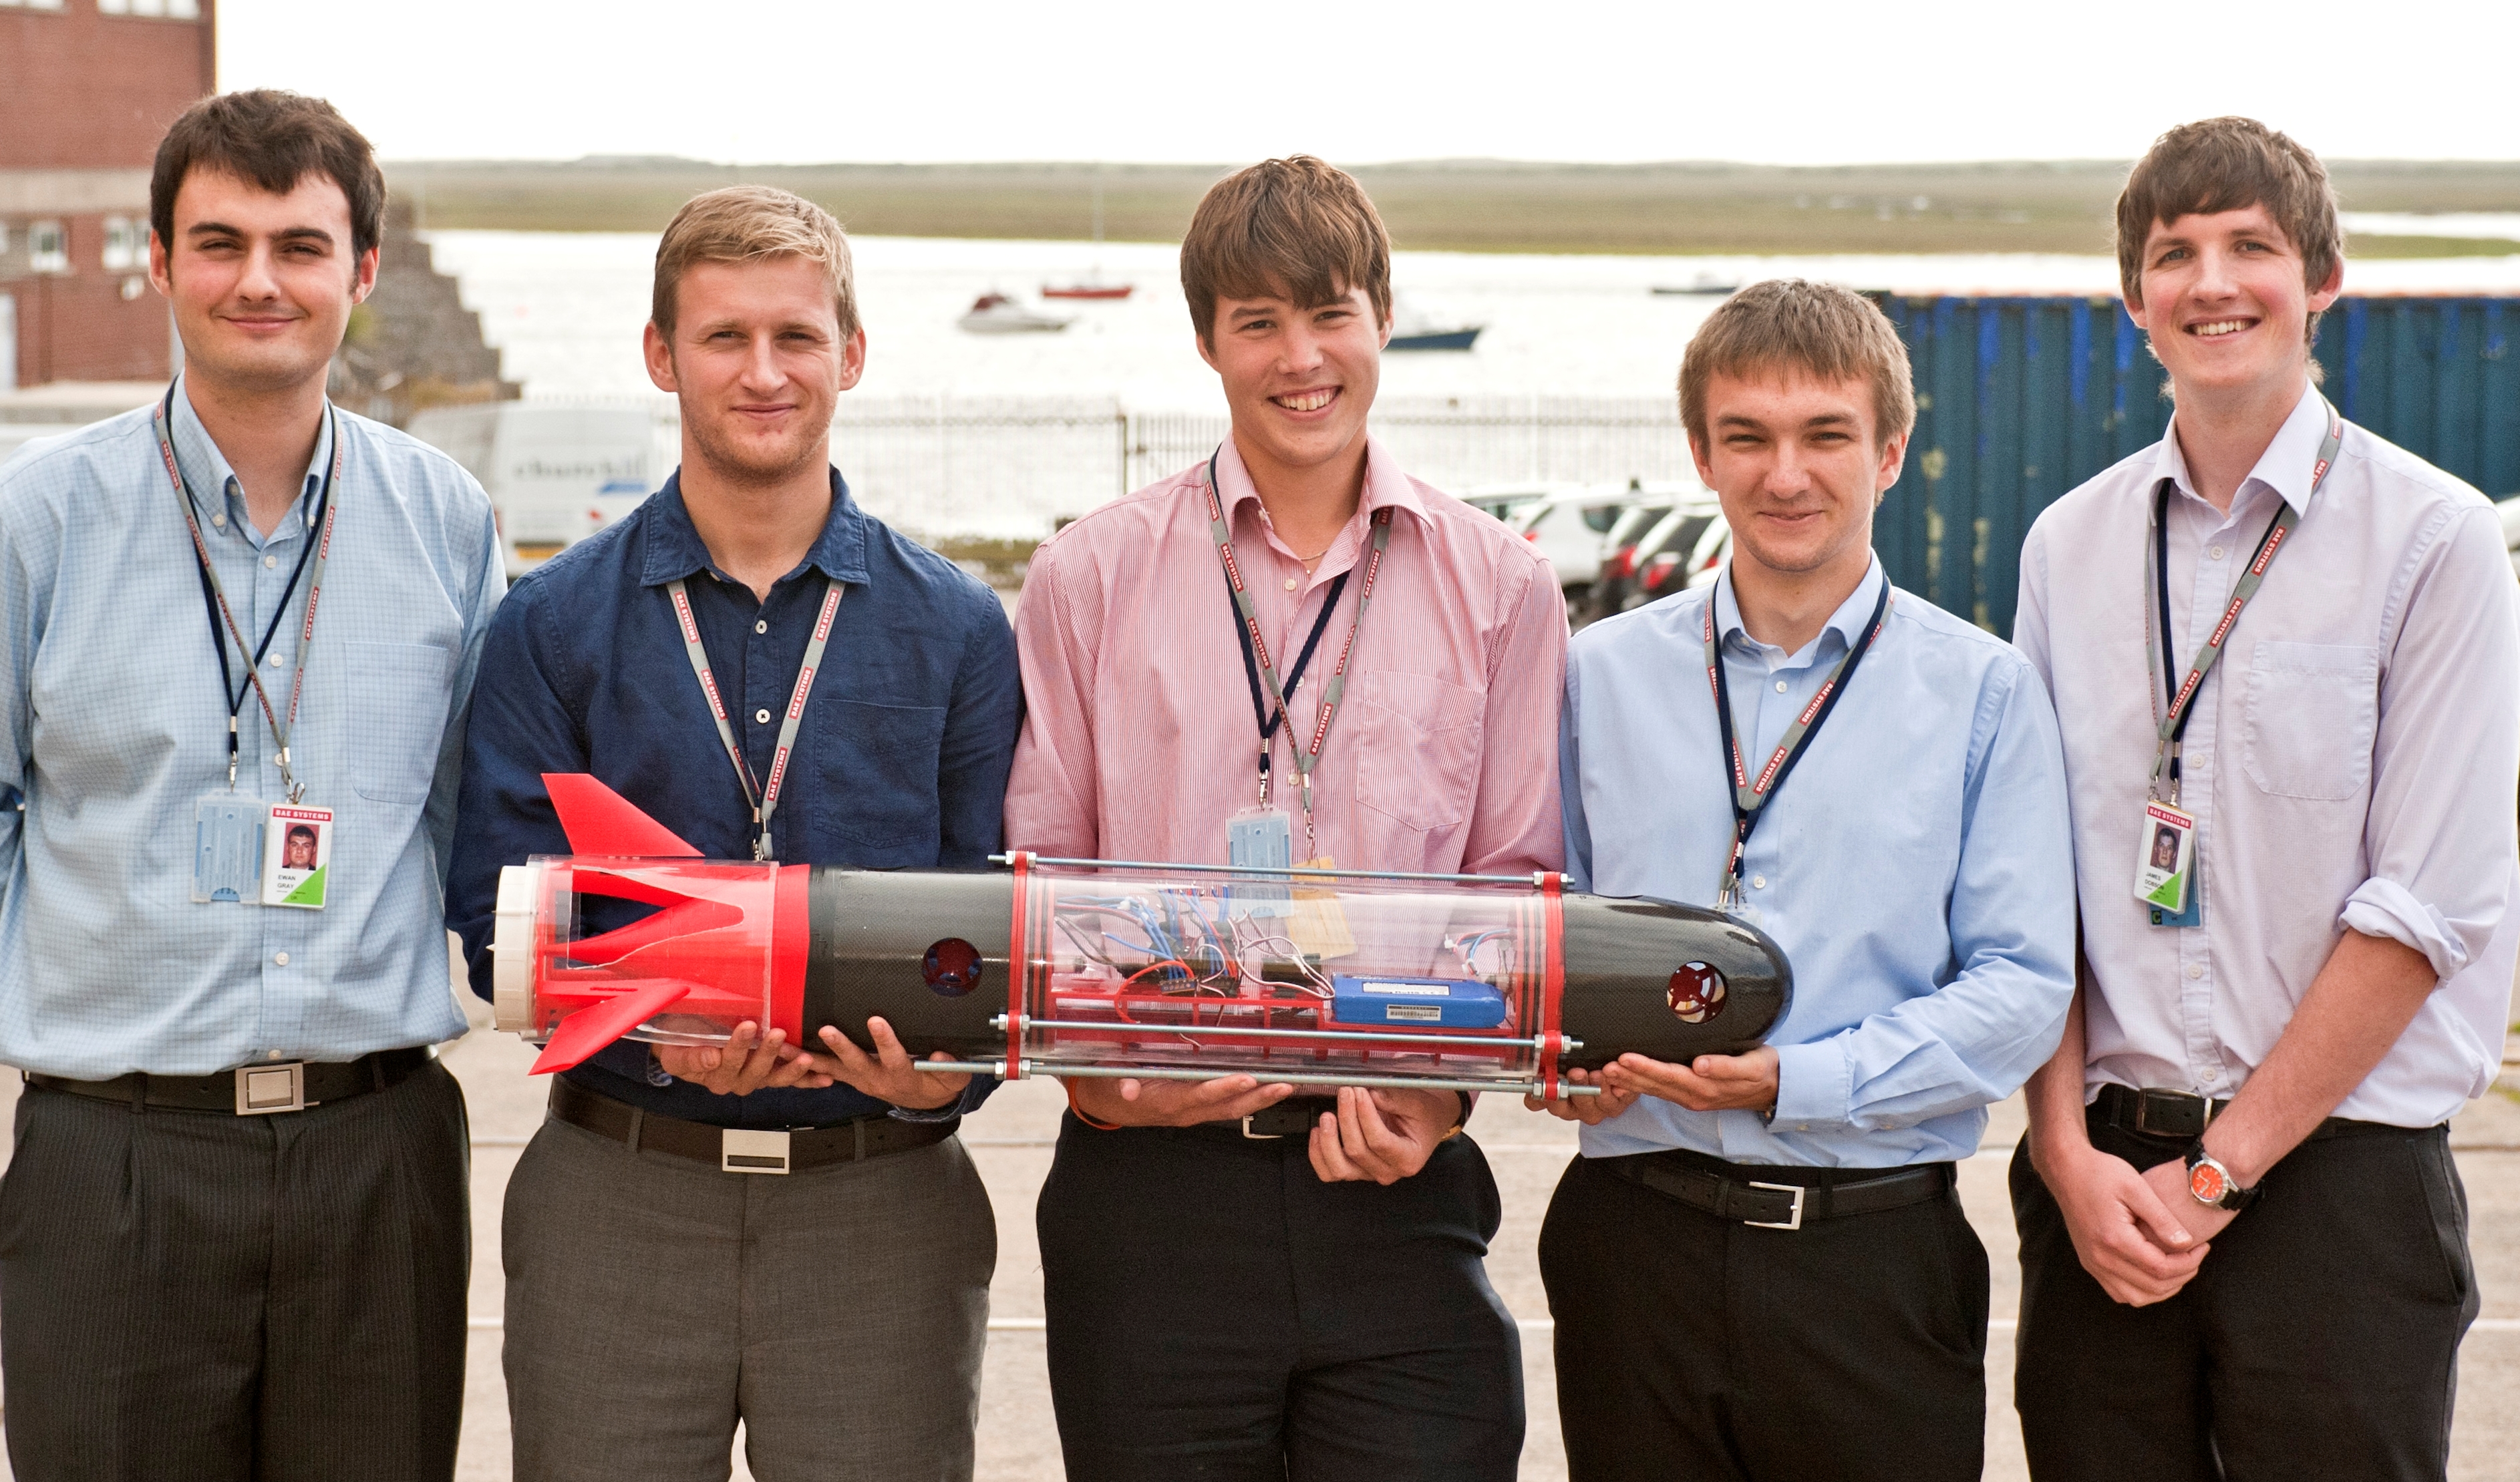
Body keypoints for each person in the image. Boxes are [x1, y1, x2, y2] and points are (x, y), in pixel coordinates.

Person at [0, 91, 502, 1480]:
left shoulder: (445, 522)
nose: (258, 281)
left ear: (363, 272)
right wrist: (99, 946)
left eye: (299, 245)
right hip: (118, 1154)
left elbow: (468, 820)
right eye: (219, 242)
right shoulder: (34, 522)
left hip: (378, 1149)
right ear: (158, 263)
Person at [444, 186, 1022, 1482]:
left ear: (851, 354)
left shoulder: (961, 631)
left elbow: (995, 912)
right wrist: (661, 1022)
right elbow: (496, 913)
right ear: (661, 355)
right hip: (620, 1194)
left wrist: (948, 1077)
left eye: (796, 337)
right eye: (723, 338)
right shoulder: (550, 624)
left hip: (882, 1201)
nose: (763, 373)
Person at [1003, 154, 1569, 1480]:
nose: (1299, 357)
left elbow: (1515, 883)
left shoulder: (1502, 585)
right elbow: (1040, 880)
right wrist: (1103, 1080)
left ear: (1381, 316)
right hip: (1149, 1200)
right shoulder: (1087, 575)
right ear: (1208, 340)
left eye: (1330, 315)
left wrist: (1433, 1102)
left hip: (1391, 1178)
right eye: (1258, 321)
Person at [2010, 117, 2518, 1480]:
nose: (2211, 282)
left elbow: (2425, 907)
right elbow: (2031, 883)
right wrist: (2060, 1152)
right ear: (2134, 303)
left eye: (2252, 247)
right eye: (2174, 254)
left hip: (2334, 1185)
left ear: (2323, 282)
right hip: (2101, 1181)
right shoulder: (2067, 547)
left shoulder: (2436, 542)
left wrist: (2220, 1173)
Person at [1535, 279, 2076, 1481]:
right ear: (1701, 455)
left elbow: (2025, 985)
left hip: (1872, 1262)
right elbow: (1545, 928)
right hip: (1637, 1248)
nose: (1787, 473)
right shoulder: (1597, 677)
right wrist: (1560, 1063)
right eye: (1750, 438)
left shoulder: (1985, 694)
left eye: (1826, 435)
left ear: (1890, 452)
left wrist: (1795, 1080)